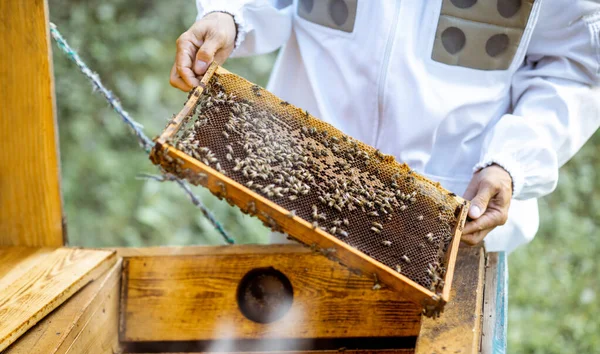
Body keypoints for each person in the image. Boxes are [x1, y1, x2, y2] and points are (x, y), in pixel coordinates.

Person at [170, 0, 600, 253]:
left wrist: (510, 162)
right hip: (304, 189)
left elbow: (575, 65)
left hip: (450, 212)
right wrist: (230, 13)